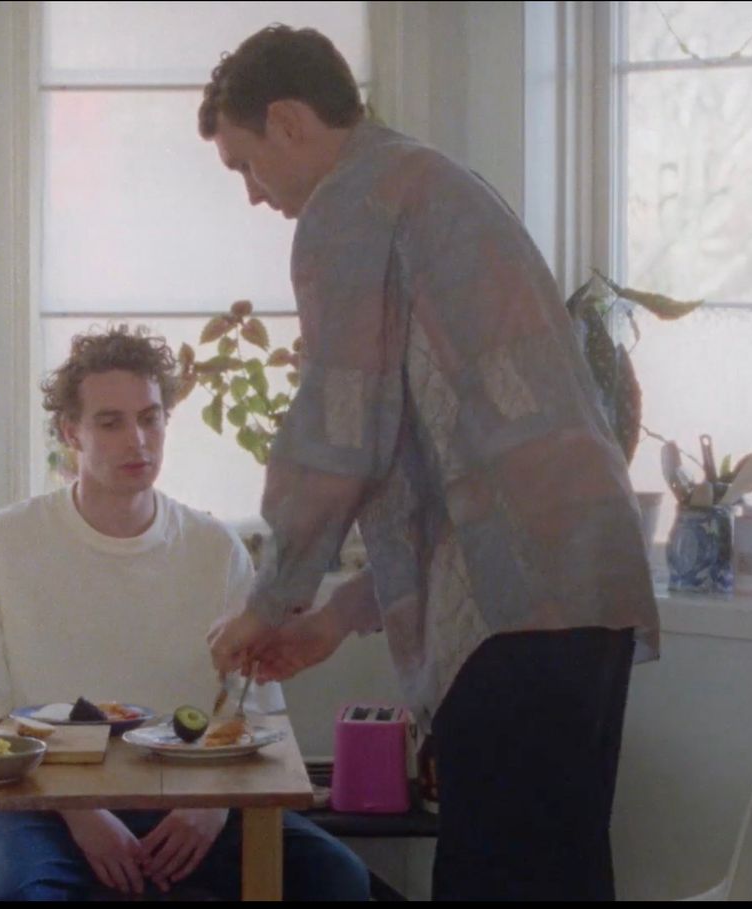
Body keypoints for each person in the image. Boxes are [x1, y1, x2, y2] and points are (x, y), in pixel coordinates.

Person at [197, 25, 661, 900]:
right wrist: (333, 616)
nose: (256, 197)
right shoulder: (438, 184)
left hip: (514, 614)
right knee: (560, 874)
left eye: (246, 165)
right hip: (584, 586)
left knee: (494, 876)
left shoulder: (350, 204)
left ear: (289, 121)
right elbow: (456, 467)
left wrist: (268, 599)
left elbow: (339, 430)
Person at [0, 324, 369, 901]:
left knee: (337, 880)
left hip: (196, 802)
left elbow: (260, 721)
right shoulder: (6, 543)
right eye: (110, 422)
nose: (137, 440)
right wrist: (78, 811)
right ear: (71, 434)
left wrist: (209, 810)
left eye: (151, 417)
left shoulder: (214, 548)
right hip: (39, 810)